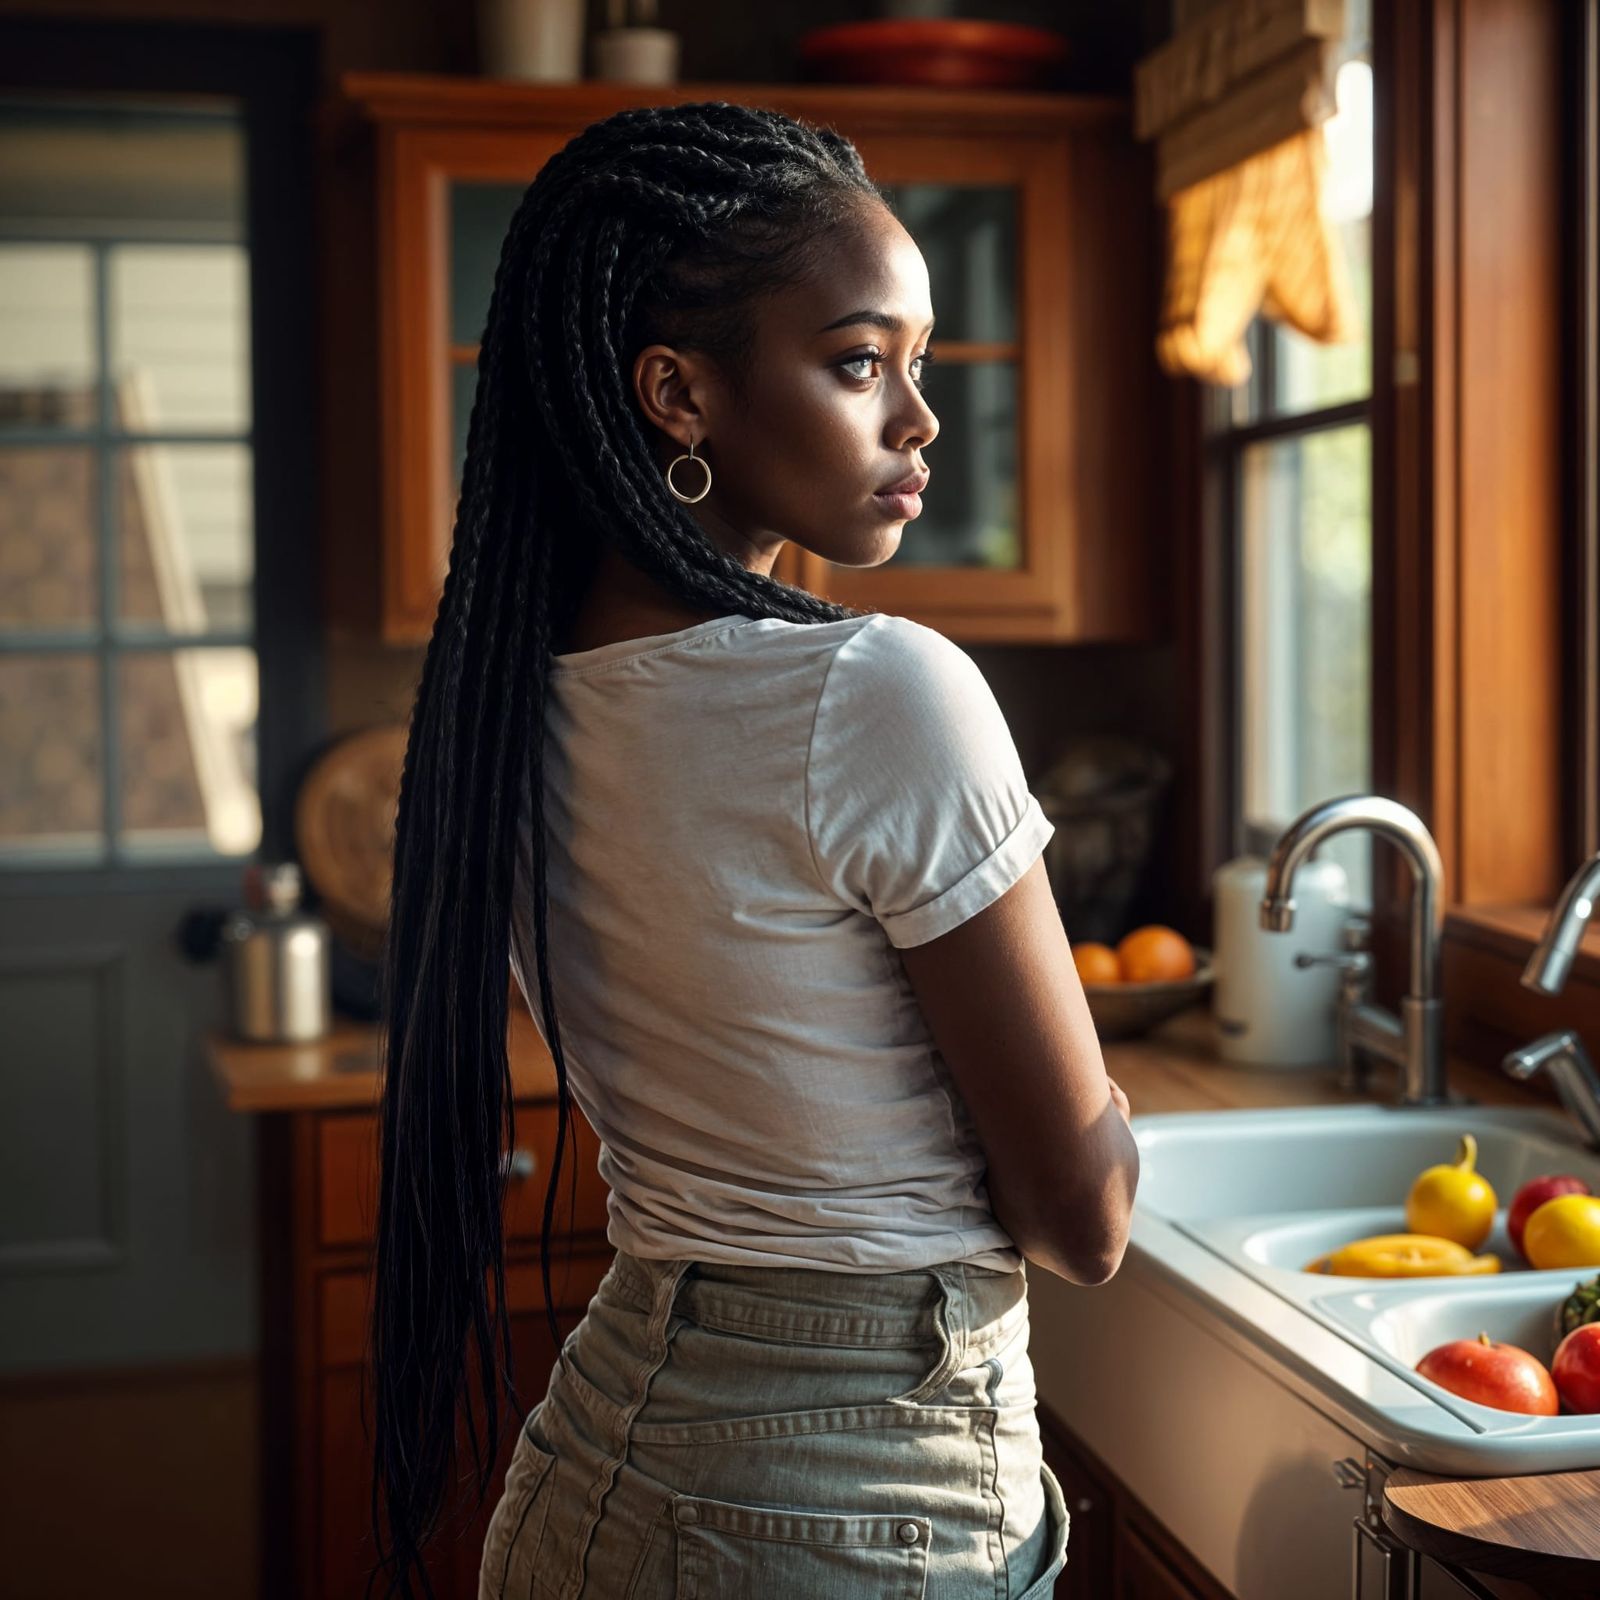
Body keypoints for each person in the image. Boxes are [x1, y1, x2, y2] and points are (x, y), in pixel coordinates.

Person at [369, 98, 1140, 1600]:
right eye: (860, 363)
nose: (917, 415)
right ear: (678, 392)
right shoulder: (877, 691)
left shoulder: (507, 700)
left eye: (917, 363)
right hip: (845, 1505)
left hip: (600, 1474)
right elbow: (1084, 1217)